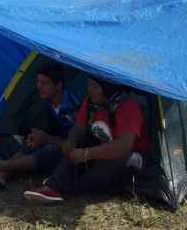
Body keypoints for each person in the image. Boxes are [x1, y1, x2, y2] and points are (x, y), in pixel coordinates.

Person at [24, 76, 150, 204]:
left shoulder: (128, 106)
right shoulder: (91, 102)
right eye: (88, 85)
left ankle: (63, 187)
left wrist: (87, 154)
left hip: (130, 158)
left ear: (107, 89)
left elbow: (124, 146)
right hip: (102, 153)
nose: (90, 90)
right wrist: (71, 141)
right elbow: (79, 128)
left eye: (95, 86)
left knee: (90, 178)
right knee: (59, 150)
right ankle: (54, 188)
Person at [0, 62, 80, 188]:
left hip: (72, 155)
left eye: (44, 83)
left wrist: (48, 139)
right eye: (37, 81)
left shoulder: (74, 106)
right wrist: (37, 137)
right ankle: (1, 174)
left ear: (58, 85)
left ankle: (0, 166)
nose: (38, 86)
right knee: (31, 144)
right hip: (53, 144)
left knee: (50, 150)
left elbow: (73, 144)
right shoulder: (45, 102)